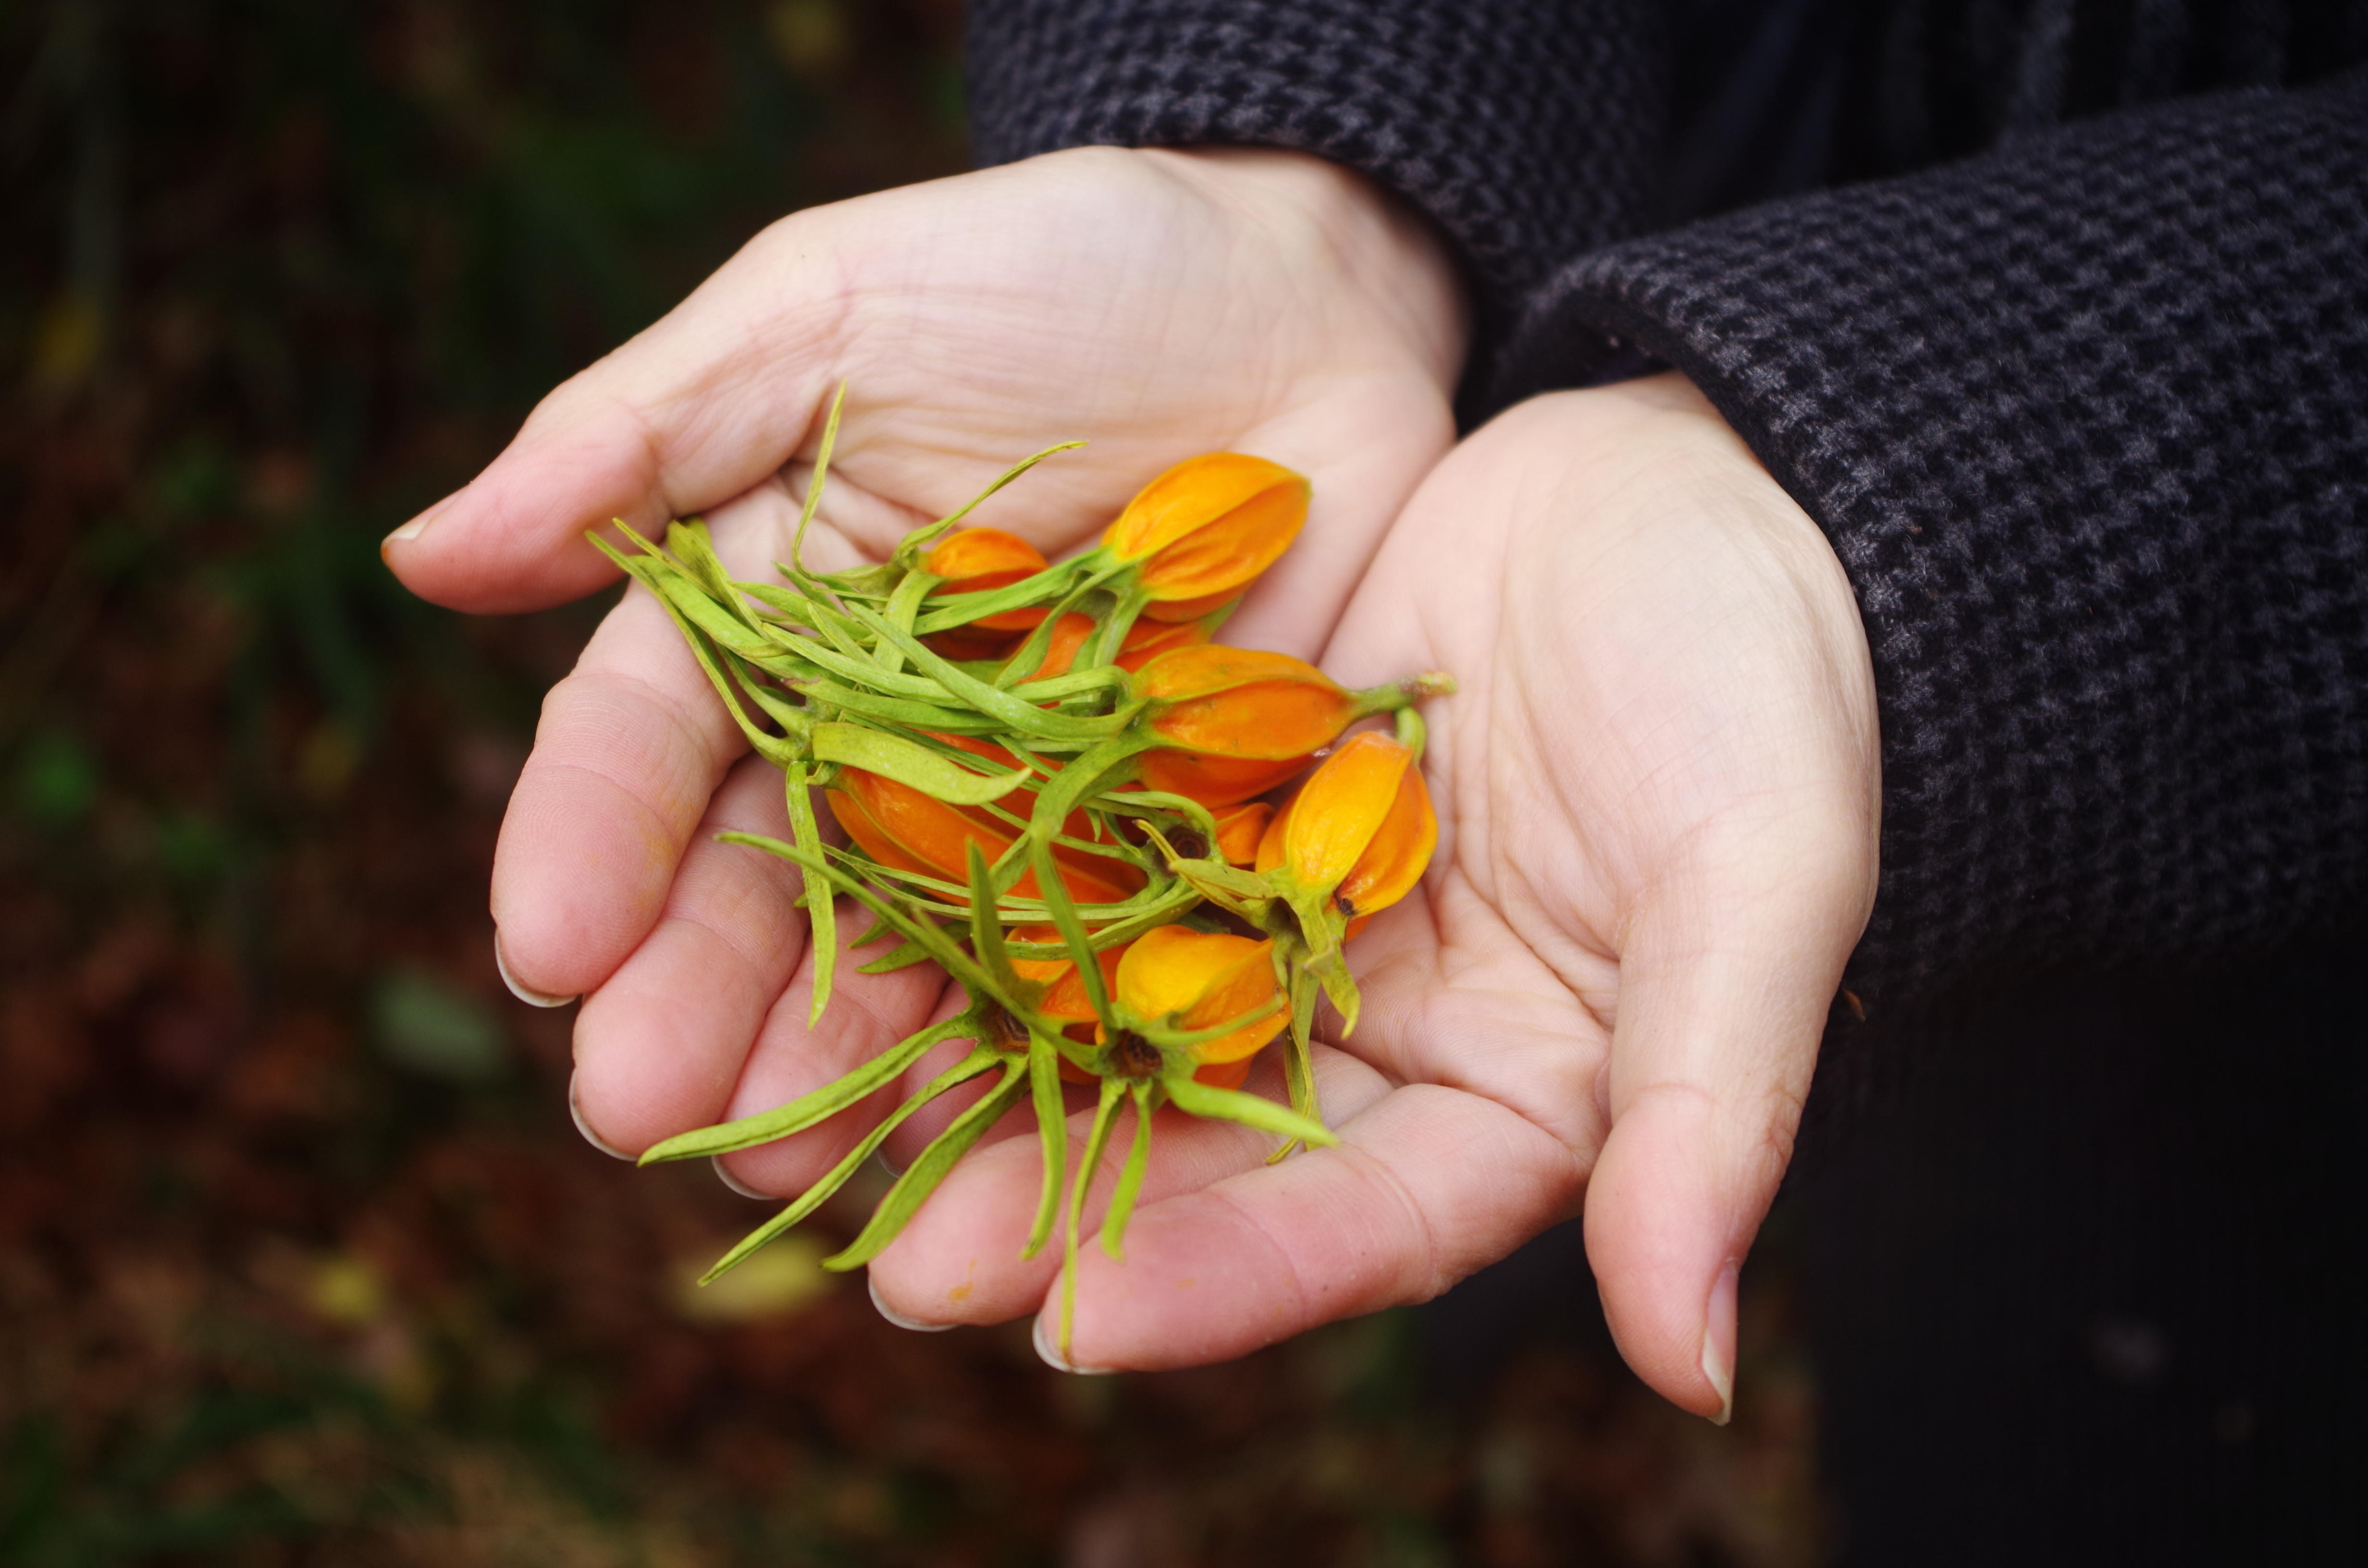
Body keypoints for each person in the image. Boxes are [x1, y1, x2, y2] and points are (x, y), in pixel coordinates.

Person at [382, 2, 2368, 1556]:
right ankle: (1490, 1326)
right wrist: (1301, 145)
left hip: (2252, 1038)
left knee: (2103, 1412)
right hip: (1710, 172)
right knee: (1601, 1122)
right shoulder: (1195, 760)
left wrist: (1929, 523)